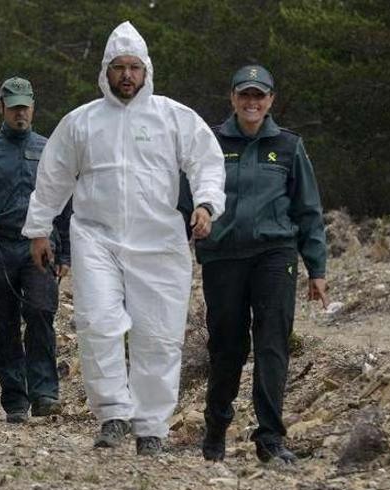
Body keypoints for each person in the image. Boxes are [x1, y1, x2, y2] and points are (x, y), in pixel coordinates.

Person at [21, 21, 226, 456]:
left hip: (160, 243)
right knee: (98, 325)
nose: (127, 76)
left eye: (134, 67)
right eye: (119, 67)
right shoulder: (82, 122)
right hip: (97, 239)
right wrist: (39, 229)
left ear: (147, 70)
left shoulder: (173, 116)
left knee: (159, 334)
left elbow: (207, 161)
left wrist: (206, 204)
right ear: (105, 72)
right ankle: (113, 413)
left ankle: (151, 426)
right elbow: (53, 177)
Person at [188, 65, 328, 463]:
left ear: (271, 101)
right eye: (244, 95)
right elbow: (188, 194)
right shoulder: (209, 142)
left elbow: (308, 209)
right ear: (232, 98)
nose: (252, 102)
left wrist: (316, 269)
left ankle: (270, 439)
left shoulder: (288, 146)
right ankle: (215, 428)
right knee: (227, 346)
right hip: (223, 256)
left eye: (259, 96)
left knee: (272, 345)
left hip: (274, 255)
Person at [0, 77, 72, 424]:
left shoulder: (50, 148)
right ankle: (15, 399)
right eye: (13, 108)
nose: (20, 113)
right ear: (1, 108)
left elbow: (66, 204)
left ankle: (44, 393)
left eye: (25, 107)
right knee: (5, 323)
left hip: (39, 245)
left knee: (41, 312)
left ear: (33, 107)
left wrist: (66, 253)